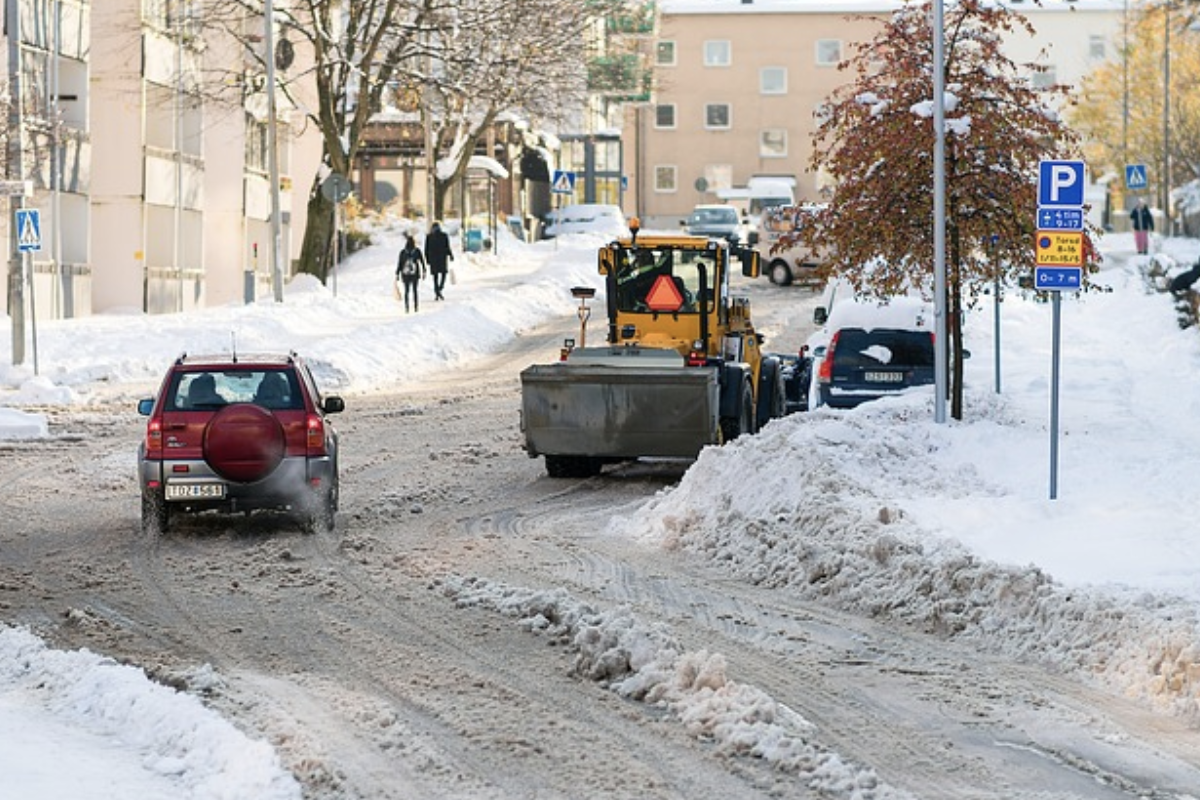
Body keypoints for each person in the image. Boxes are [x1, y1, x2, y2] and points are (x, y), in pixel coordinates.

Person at [396, 233, 427, 312]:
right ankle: (416, 307)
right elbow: (422, 261)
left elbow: (400, 264)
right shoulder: (417, 251)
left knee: (406, 291)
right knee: (415, 290)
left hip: (405, 274)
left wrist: (397, 273)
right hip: (415, 274)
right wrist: (424, 270)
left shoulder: (403, 252)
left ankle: (407, 307)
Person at [424, 221, 454, 301]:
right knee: (443, 273)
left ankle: (437, 291)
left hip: (433, 259)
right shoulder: (444, 236)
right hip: (442, 258)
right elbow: (447, 246)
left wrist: (427, 259)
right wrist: (450, 255)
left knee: (435, 276)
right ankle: (440, 288)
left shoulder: (429, 237)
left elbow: (426, 249)